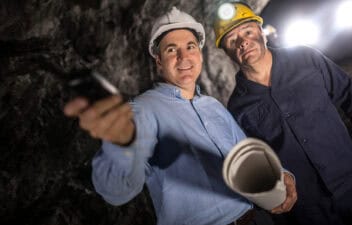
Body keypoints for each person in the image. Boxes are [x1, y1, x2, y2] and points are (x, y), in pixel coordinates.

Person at [63, 7, 297, 225]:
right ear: (159, 62)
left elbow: (246, 154)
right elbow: (116, 191)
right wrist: (122, 144)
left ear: (201, 55)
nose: (183, 57)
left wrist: (282, 175)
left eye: (190, 47)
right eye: (171, 50)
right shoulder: (141, 110)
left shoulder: (213, 106)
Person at [213, 2, 352, 225]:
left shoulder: (305, 59)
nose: (243, 42)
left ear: (261, 31)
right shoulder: (238, 107)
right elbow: (256, 164)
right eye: (232, 40)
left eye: (248, 31)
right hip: (308, 211)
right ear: (226, 51)